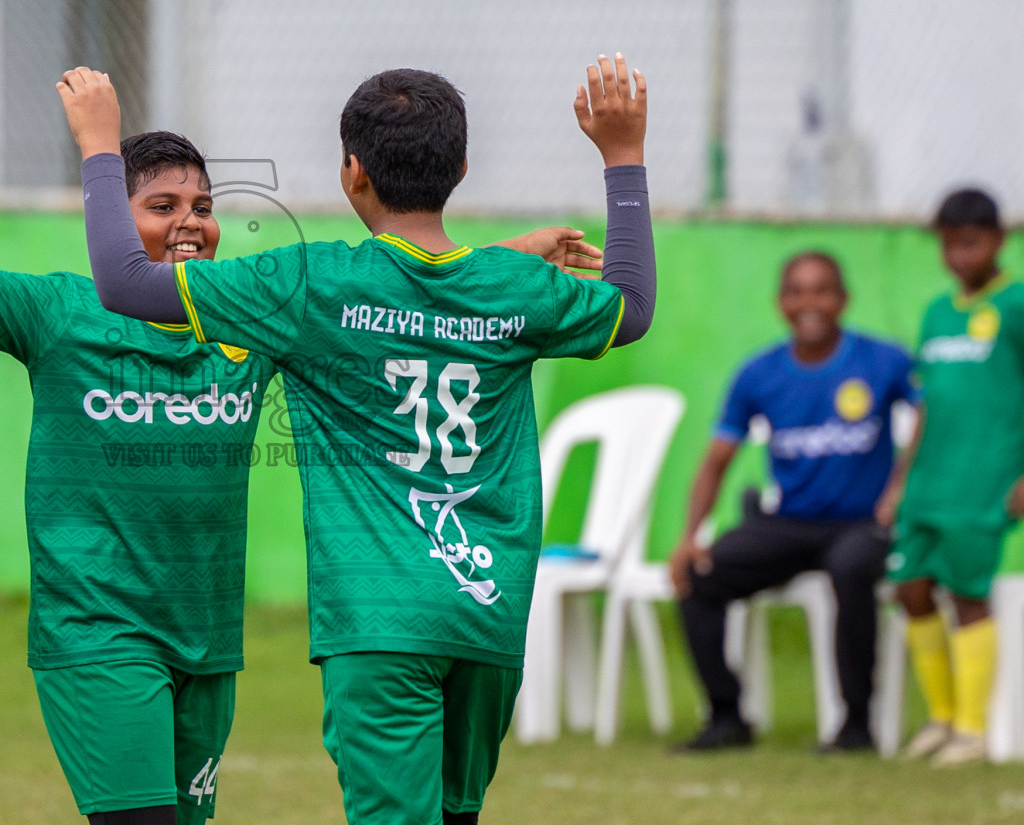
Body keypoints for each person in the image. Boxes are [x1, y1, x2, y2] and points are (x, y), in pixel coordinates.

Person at [0, 131, 596, 825]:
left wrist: (512, 256)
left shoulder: (249, 321)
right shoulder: (60, 311)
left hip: (208, 643)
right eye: (161, 203)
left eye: (201, 204)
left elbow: (381, 295)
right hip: (99, 632)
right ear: (112, 222)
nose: (190, 221)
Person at [61, 56, 655, 825]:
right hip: (487, 615)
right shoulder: (516, 292)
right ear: (462, 167)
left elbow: (124, 285)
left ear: (352, 172)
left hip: (379, 625)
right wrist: (624, 157)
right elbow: (629, 305)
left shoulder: (310, 285)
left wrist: (100, 146)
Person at [668, 252, 914, 753]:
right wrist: (690, 537)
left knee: (850, 567)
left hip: (861, 524)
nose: (810, 303)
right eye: (797, 292)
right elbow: (716, 462)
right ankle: (727, 715)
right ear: (781, 302)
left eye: (822, 290)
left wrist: (899, 488)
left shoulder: (883, 360)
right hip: (790, 524)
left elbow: (934, 420)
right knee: (698, 575)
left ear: (842, 299)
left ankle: (857, 725)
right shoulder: (758, 374)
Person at [884, 187, 1024, 767]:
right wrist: (898, 482)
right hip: (929, 481)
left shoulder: (1016, 304)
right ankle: (941, 718)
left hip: (985, 479)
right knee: (910, 589)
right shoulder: (937, 313)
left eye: (970, 242)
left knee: (968, 593)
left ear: (999, 239)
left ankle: (971, 730)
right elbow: (927, 405)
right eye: (948, 244)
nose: (958, 255)